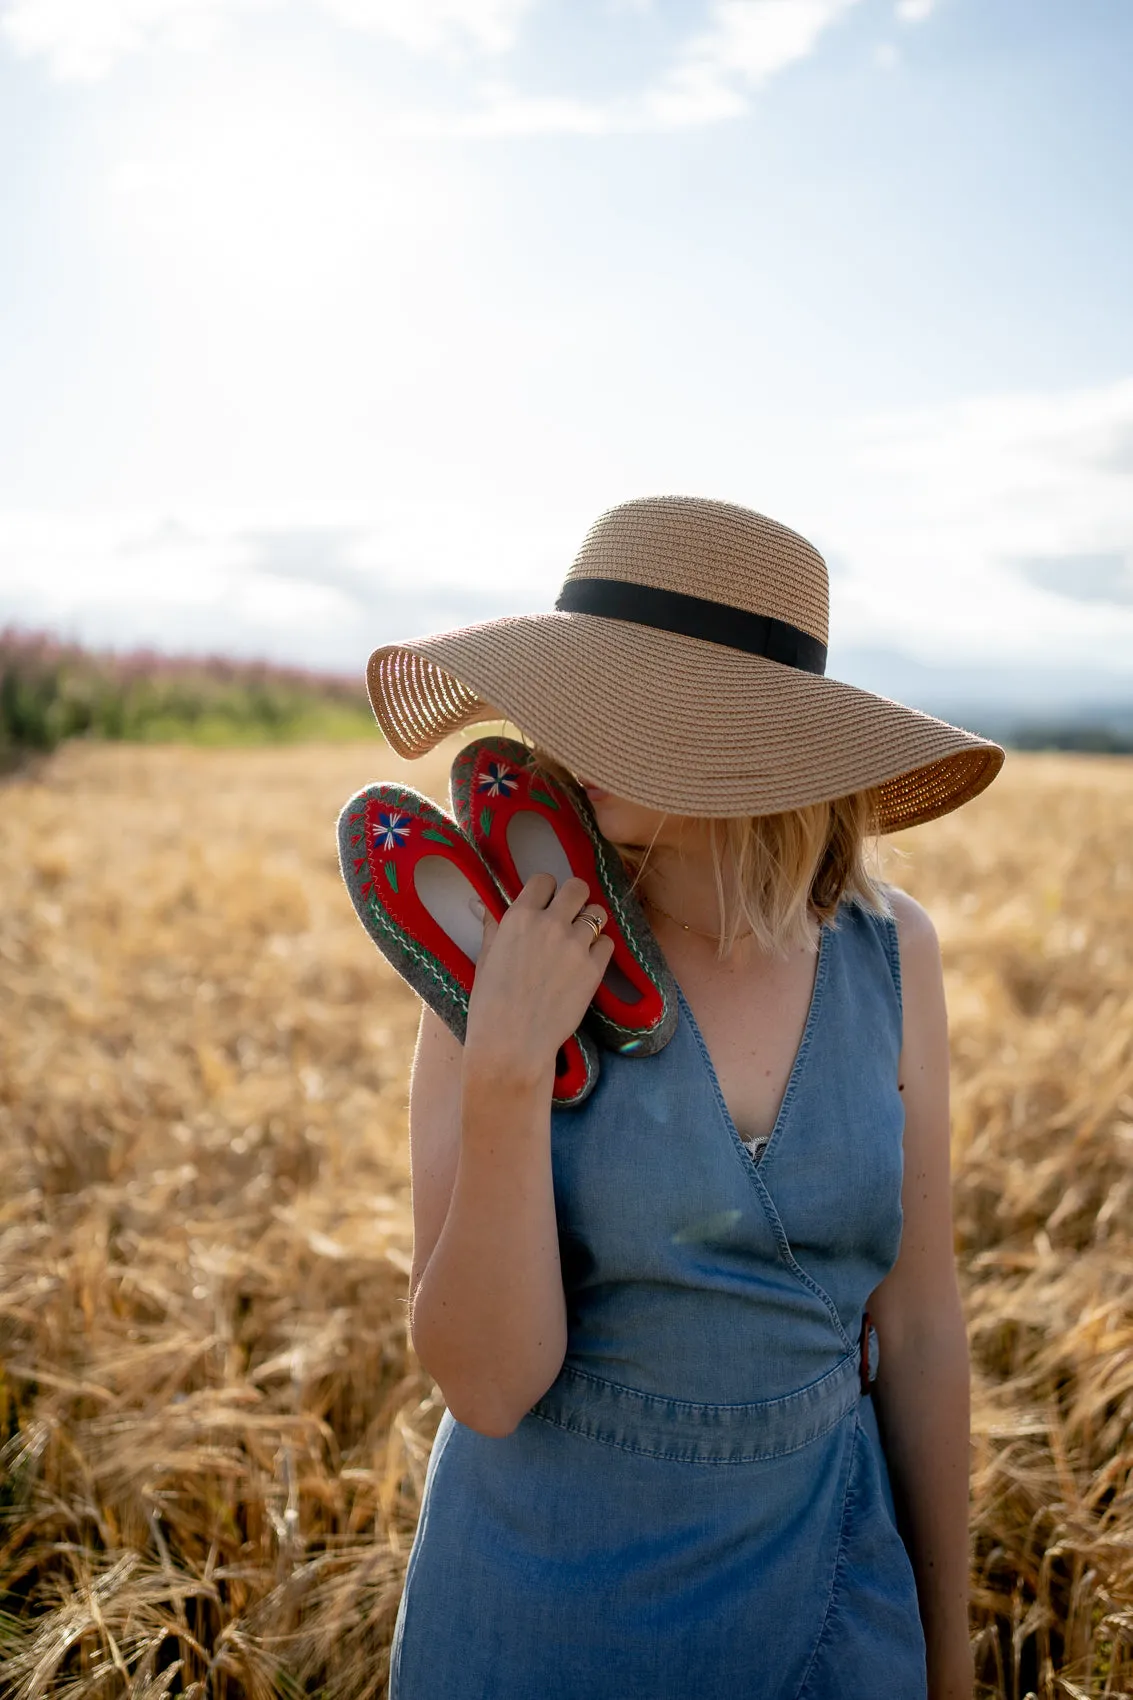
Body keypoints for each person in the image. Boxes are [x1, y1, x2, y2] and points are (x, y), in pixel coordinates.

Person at [363, 496, 1004, 1700]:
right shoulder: (500, 937)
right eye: (579, 691)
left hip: (826, 1599)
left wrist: (948, 1653)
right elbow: (486, 1381)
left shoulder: (889, 953)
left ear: (755, 735)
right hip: (530, 1620)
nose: (574, 730)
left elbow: (916, 1325)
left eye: (632, 698)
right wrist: (505, 1065)